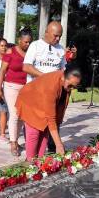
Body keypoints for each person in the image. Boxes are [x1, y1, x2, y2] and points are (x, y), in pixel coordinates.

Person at [15, 68, 82, 161]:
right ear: (63, 77)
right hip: (29, 103)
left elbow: (59, 107)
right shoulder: (51, 87)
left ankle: (39, 161)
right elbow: (51, 118)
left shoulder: (66, 81)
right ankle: (30, 163)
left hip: (42, 101)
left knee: (45, 131)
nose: (71, 89)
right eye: (70, 85)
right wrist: (58, 145)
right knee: (34, 133)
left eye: (74, 87)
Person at [22, 21, 68, 153]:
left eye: (60, 36)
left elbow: (63, 70)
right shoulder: (35, 46)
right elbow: (26, 67)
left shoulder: (60, 49)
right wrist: (45, 77)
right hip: (35, 93)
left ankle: (42, 157)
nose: (58, 38)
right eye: (55, 35)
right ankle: (31, 158)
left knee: (47, 127)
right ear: (46, 32)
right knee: (33, 129)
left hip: (52, 94)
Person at [0, 27, 32, 156]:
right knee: (15, 114)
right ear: (19, 40)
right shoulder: (10, 51)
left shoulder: (31, 53)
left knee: (22, 116)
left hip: (26, 88)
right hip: (11, 86)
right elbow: (2, 71)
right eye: (25, 42)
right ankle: (13, 143)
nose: (27, 44)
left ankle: (15, 139)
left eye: (29, 42)